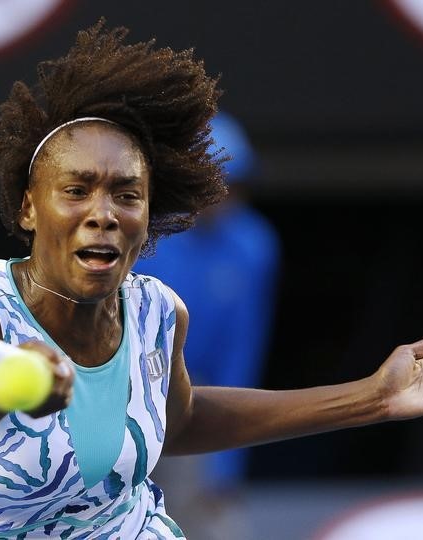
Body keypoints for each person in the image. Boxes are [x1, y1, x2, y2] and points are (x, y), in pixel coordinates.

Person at [0, 21, 423, 539]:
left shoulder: (159, 311)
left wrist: (371, 397)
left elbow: (180, 420)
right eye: (76, 190)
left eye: (126, 195)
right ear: (29, 208)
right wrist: (5, 388)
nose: (103, 212)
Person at [132, 111, 279, 538]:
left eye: (234, 184)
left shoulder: (256, 246)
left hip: (196, 402)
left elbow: (243, 350)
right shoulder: (137, 235)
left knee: (218, 526)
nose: (224, 196)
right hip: (122, 398)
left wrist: (227, 465)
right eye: (214, 183)